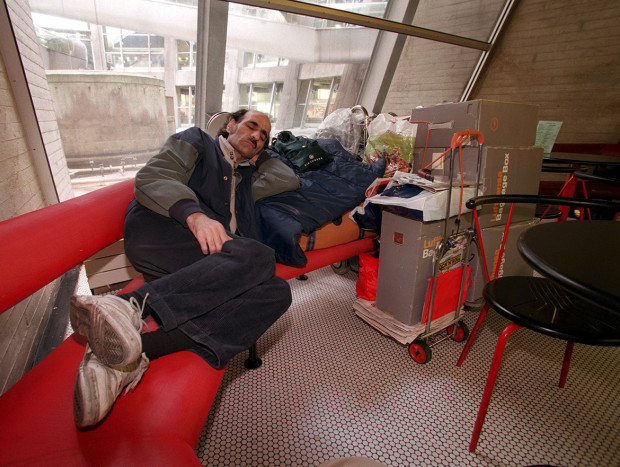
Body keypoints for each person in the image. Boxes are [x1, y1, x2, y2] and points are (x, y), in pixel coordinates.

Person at [70, 110, 295, 428]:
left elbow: (290, 179)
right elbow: (154, 176)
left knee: (278, 292)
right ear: (230, 125)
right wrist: (194, 215)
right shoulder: (198, 141)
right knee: (261, 258)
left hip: (212, 260)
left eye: (264, 135)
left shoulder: (246, 179)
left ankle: (128, 358)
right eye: (251, 126)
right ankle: (125, 306)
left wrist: (258, 152)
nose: (258, 135)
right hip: (162, 232)